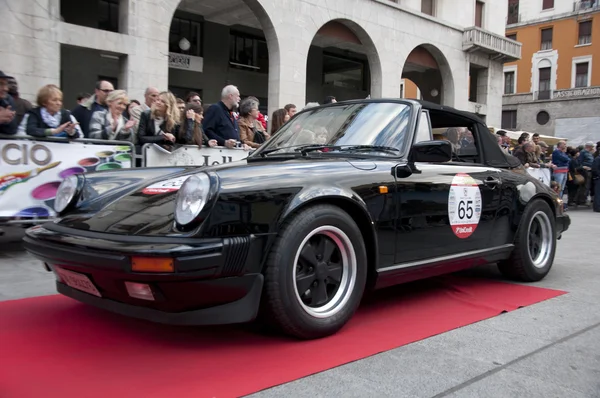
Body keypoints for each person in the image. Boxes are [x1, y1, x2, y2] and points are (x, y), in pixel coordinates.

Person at [0, 70, 18, 135]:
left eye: (6, 84)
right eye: (1, 84)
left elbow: (12, 130)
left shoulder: (8, 99)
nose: (6, 88)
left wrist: (6, 120)